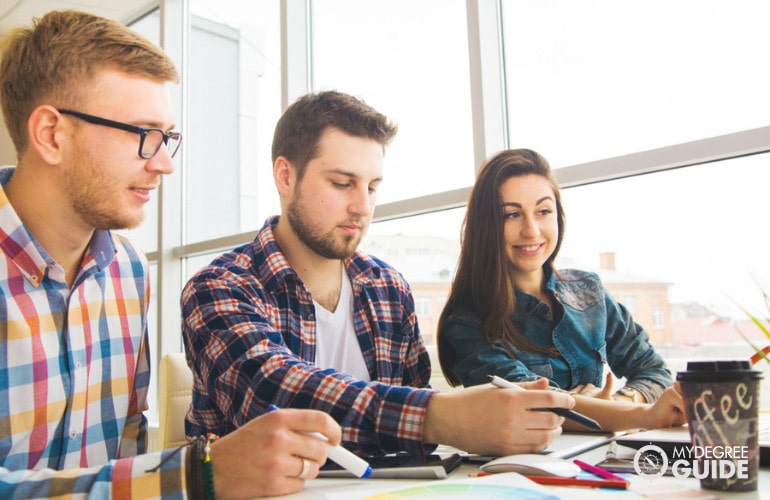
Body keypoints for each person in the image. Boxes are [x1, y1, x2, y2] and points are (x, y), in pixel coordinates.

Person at [0, 9, 340, 499]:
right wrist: (197, 474)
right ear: (52, 135)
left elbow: (124, 456)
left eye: (167, 139)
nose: (163, 164)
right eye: (144, 135)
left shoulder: (128, 271)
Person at [181, 91, 576, 458]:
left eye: (372, 187)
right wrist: (445, 417)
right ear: (285, 176)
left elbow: (415, 442)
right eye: (341, 183)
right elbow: (272, 393)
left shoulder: (388, 288)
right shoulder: (219, 287)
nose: (362, 206)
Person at [437, 148, 687, 432]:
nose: (531, 230)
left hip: (608, 457)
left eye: (543, 211)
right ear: (486, 226)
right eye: (511, 215)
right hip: (527, 468)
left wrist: (621, 400)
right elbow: (533, 403)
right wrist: (641, 414)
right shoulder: (466, 322)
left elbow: (653, 370)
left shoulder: (589, 290)